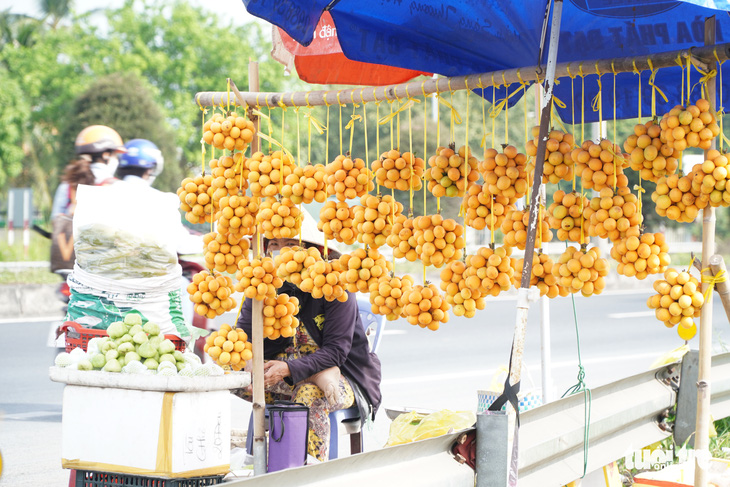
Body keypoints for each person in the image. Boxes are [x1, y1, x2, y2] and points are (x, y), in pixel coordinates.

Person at [235, 214, 382, 462]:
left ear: (312, 250)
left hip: (341, 376)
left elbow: (337, 351)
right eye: (274, 244)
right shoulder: (262, 282)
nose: (281, 252)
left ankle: (311, 469)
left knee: (310, 394)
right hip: (277, 370)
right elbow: (244, 334)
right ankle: (256, 461)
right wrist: (250, 365)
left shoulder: (334, 284)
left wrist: (289, 368)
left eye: (291, 245)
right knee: (229, 374)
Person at [51, 125, 126, 219]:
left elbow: (56, 220)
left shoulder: (67, 186)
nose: (116, 160)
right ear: (106, 155)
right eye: (115, 155)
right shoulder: (119, 187)